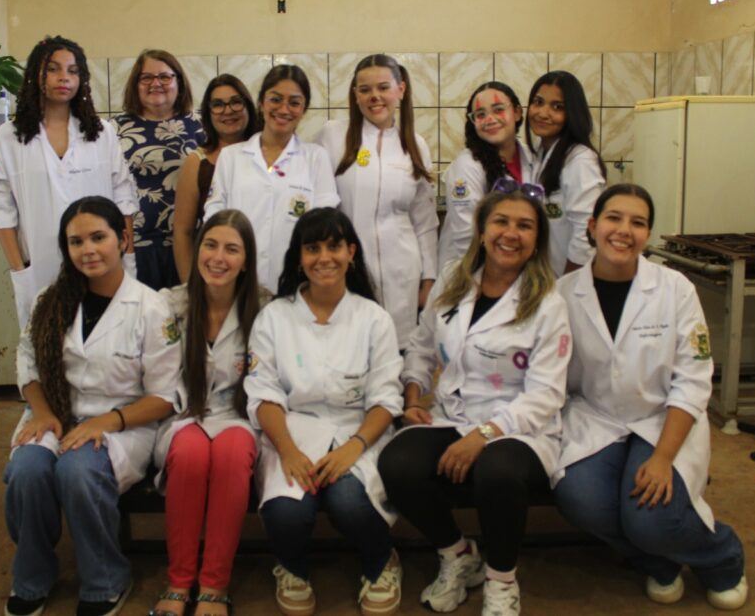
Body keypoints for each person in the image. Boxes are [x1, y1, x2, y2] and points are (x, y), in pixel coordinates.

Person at [379, 183, 571, 616]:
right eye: (501, 222)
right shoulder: (454, 279)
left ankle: (501, 579)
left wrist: (483, 435)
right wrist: (413, 396)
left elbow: (545, 394)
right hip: (454, 413)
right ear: (482, 231)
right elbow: (422, 345)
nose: (511, 234)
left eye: (525, 226)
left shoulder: (548, 303)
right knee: (397, 464)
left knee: (497, 472)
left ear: (537, 240)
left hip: (519, 426)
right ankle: (458, 554)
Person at [553, 184, 748, 611]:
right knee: (581, 501)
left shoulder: (675, 289)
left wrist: (662, 457)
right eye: (614, 218)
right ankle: (658, 561)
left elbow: (693, 379)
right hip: (596, 417)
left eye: (638, 223)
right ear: (592, 226)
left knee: (651, 517)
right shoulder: (564, 293)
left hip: (663, 418)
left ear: (647, 235)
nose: (624, 230)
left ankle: (723, 555)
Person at [2, 196, 180, 616]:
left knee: (77, 470)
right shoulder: (49, 301)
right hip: (55, 414)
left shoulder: (151, 308)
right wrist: (43, 413)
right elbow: (28, 365)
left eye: (99, 237)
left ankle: (105, 580)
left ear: (123, 239)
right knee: (27, 472)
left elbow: (165, 396)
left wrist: (106, 422)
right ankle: (32, 576)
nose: (88, 250)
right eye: (76, 241)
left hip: (125, 423)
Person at [245, 208, 404, 616]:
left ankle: (381, 560)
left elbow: (386, 398)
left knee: (349, 502)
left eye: (335, 247)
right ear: (299, 258)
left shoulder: (374, 318)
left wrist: (354, 447)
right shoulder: (274, 317)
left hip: (358, 431)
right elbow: (263, 394)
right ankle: (292, 567)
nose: (324, 258)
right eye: (312, 248)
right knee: (287, 512)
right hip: (292, 432)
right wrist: (288, 451)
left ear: (352, 252)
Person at [150, 209, 267, 616]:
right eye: (210, 245)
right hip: (185, 414)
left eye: (232, 249)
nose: (218, 258)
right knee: (191, 454)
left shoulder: (265, 308)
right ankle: (180, 581)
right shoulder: (169, 305)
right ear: (197, 249)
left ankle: (214, 586)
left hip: (239, 417)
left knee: (233, 454)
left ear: (246, 261)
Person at [0, 36, 138, 329]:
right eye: (53, 69)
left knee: (108, 338)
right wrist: (20, 268)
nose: (64, 78)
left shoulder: (101, 133)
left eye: (73, 71)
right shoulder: (8, 138)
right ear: (35, 75)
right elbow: (0, 210)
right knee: (48, 341)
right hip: (39, 266)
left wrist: (127, 256)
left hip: (103, 261)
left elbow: (123, 198)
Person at [315, 54, 438, 348]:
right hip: (348, 268)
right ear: (355, 95)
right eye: (365, 89)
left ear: (401, 89)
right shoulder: (333, 135)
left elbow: (424, 220)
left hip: (403, 272)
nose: (374, 97)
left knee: (399, 351)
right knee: (350, 349)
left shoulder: (416, 145)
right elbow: (320, 209)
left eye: (383, 87)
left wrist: (429, 278)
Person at [203, 64, 339, 293]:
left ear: (304, 109)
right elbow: (214, 217)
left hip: (296, 283)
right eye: (275, 99)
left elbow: (324, 225)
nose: (284, 109)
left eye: (294, 102)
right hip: (238, 281)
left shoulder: (316, 157)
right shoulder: (231, 157)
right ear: (261, 103)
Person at [114, 49, 206, 289]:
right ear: (135, 84)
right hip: (133, 248)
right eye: (146, 78)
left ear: (179, 82)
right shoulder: (114, 130)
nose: (156, 84)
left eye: (164, 77)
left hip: (189, 246)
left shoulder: (200, 126)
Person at [438, 81, 534, 269]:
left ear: (517, 112)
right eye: (480, 115)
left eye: (498, 110)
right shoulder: (466, 166)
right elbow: (467, 237)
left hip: (515, 264)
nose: (490, 119)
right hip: (472, 270)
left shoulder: (531, 157)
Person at [172, 75, 258, 282]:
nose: (228, 111)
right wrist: (190, 286)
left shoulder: (266, 157)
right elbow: (183, 232)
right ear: (208, 113)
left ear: (248, 106)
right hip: (216, 273)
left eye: (236, 102)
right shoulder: (197, 162)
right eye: (218, 105)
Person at [522, 70, 606, 276]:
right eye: (538, 102)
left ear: (572, 114)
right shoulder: (539, 152)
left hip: (568, 277)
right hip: (545, 275)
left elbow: (586, 233)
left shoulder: (580, 161)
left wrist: (568, 284)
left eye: (557, 107)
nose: (543, 113)